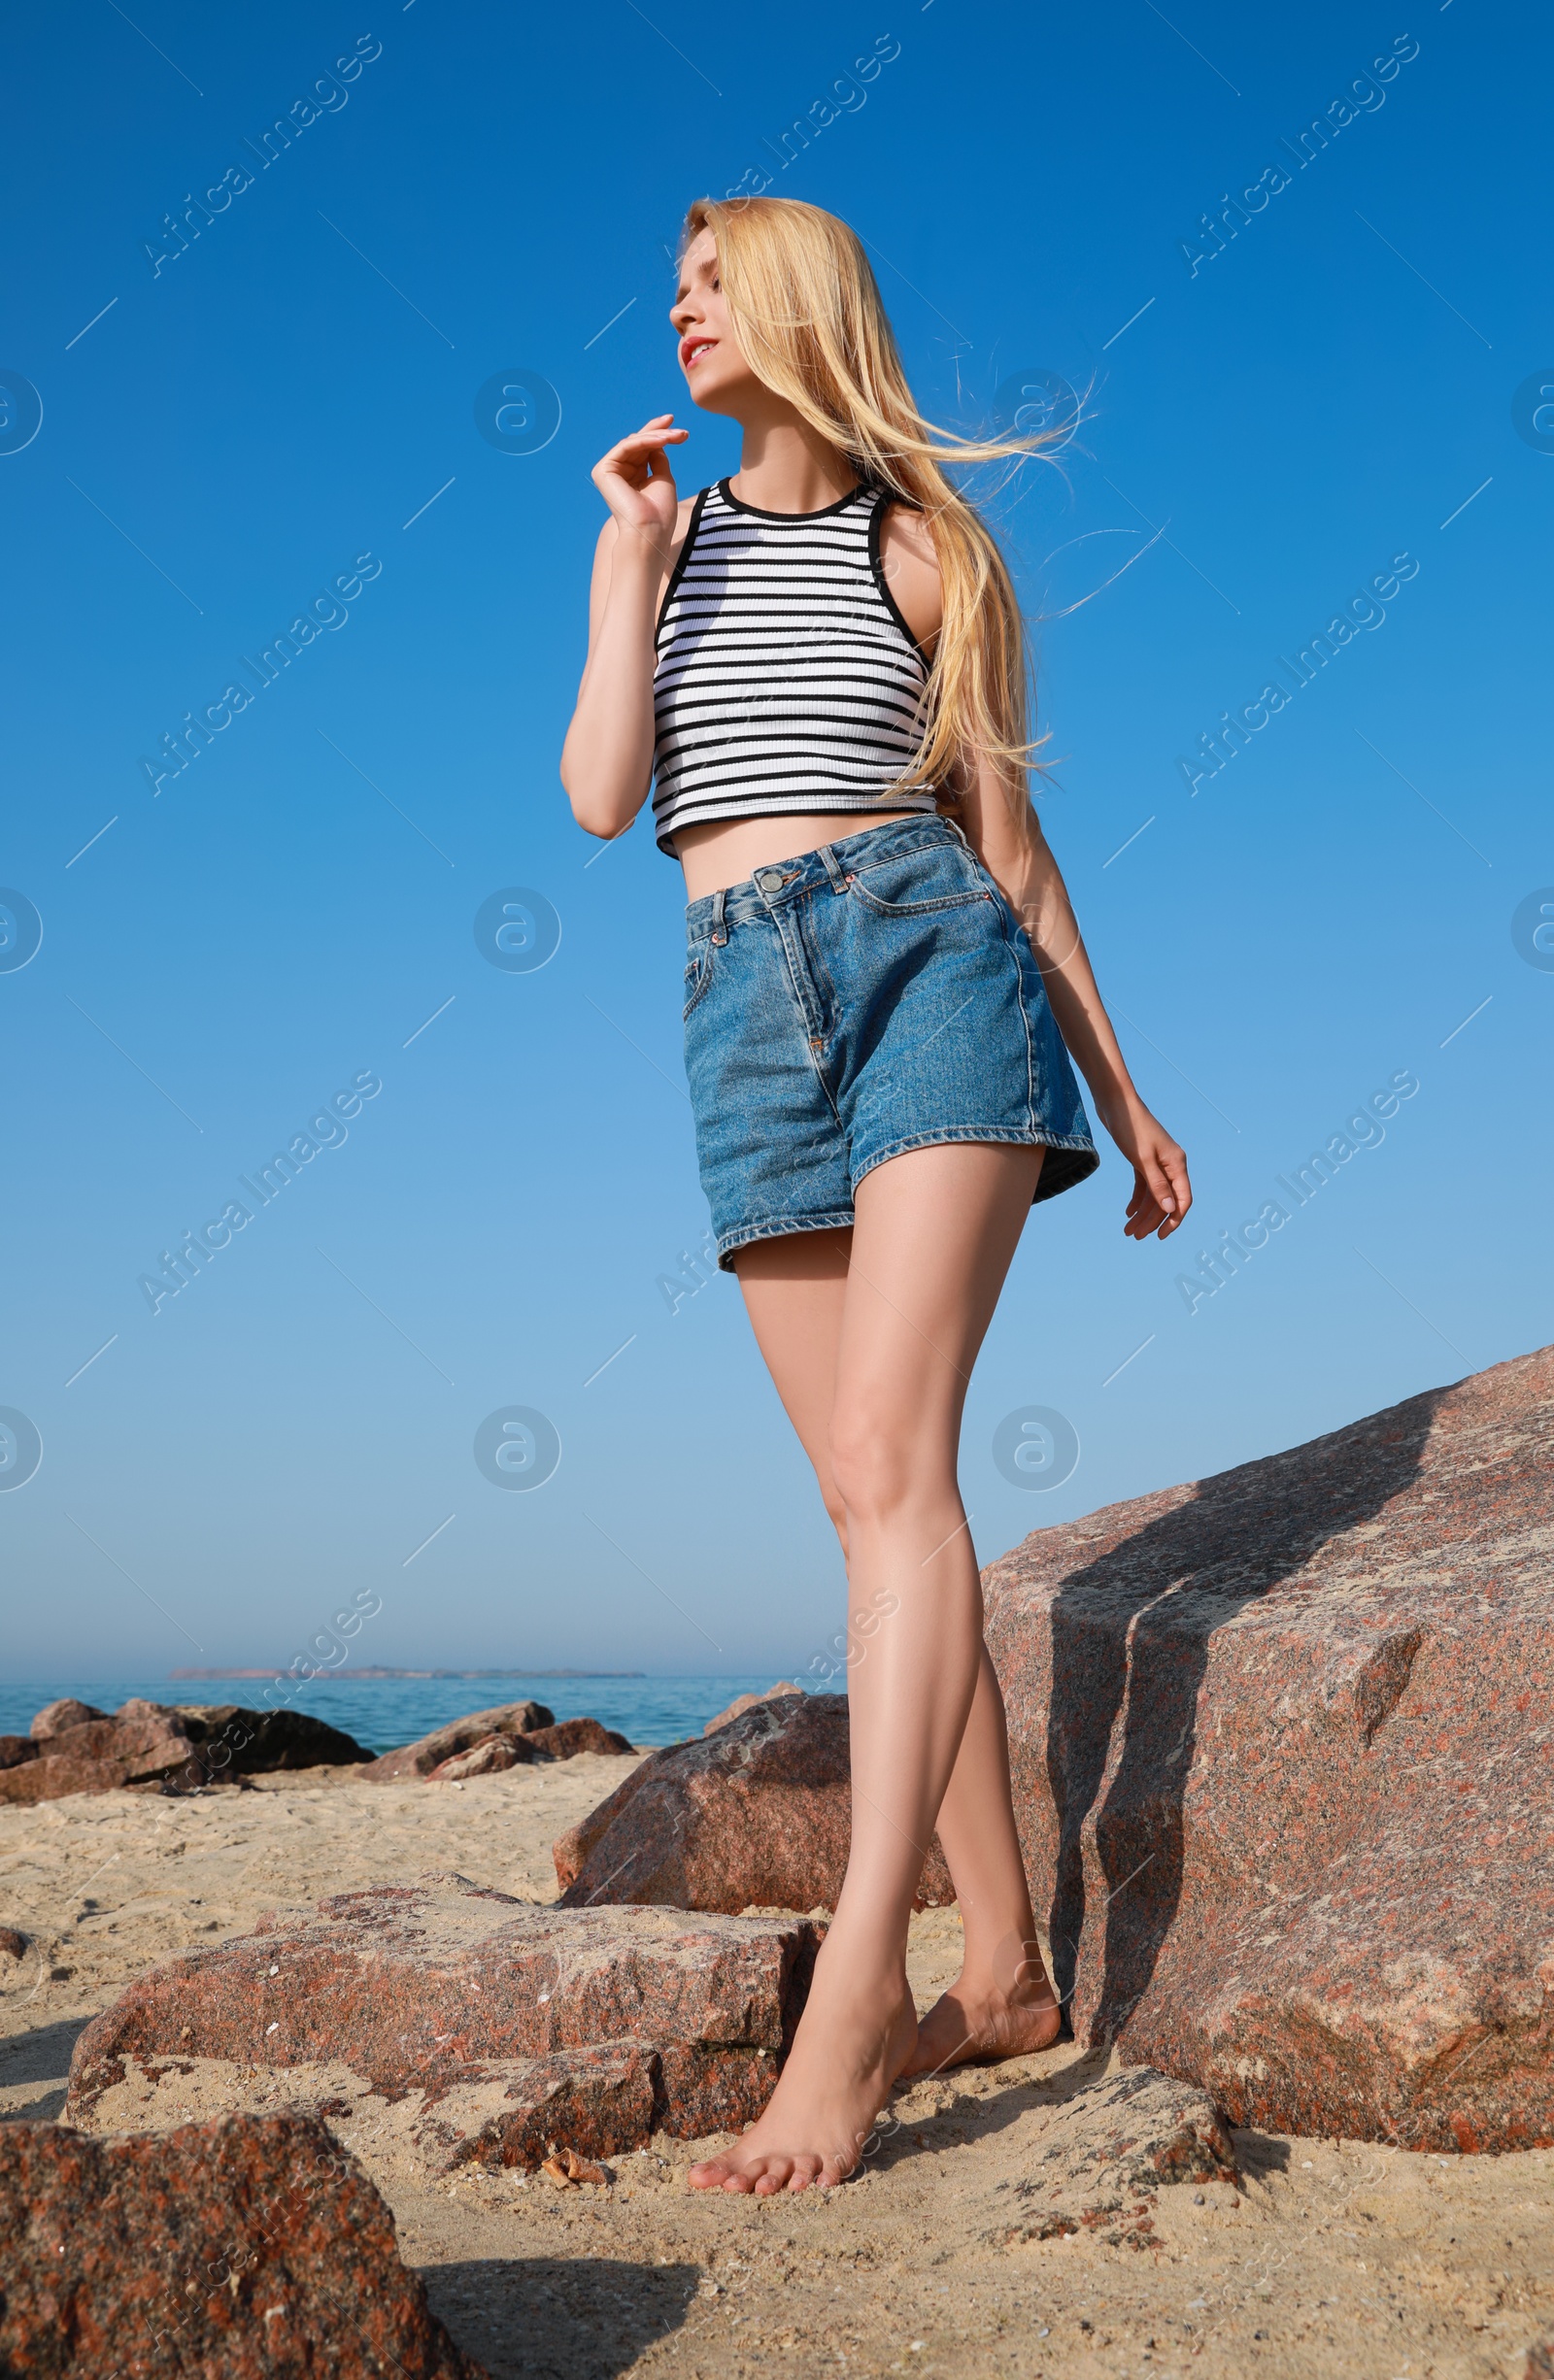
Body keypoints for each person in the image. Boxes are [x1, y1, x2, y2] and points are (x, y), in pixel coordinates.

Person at [561, 195, 1192, 2195]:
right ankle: (1003, 1963)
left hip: (930, 969)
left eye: (711, 274)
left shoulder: (918, 549)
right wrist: (622, 570)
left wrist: (1118, 1076)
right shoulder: (667, 548)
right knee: (871, 1494)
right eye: (667, 281)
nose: (677, 304)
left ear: (804, 305)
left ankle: (858, 1999)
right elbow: (595, 797)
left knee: (887, 1459)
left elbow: (1007, 845)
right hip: (739, 1003)